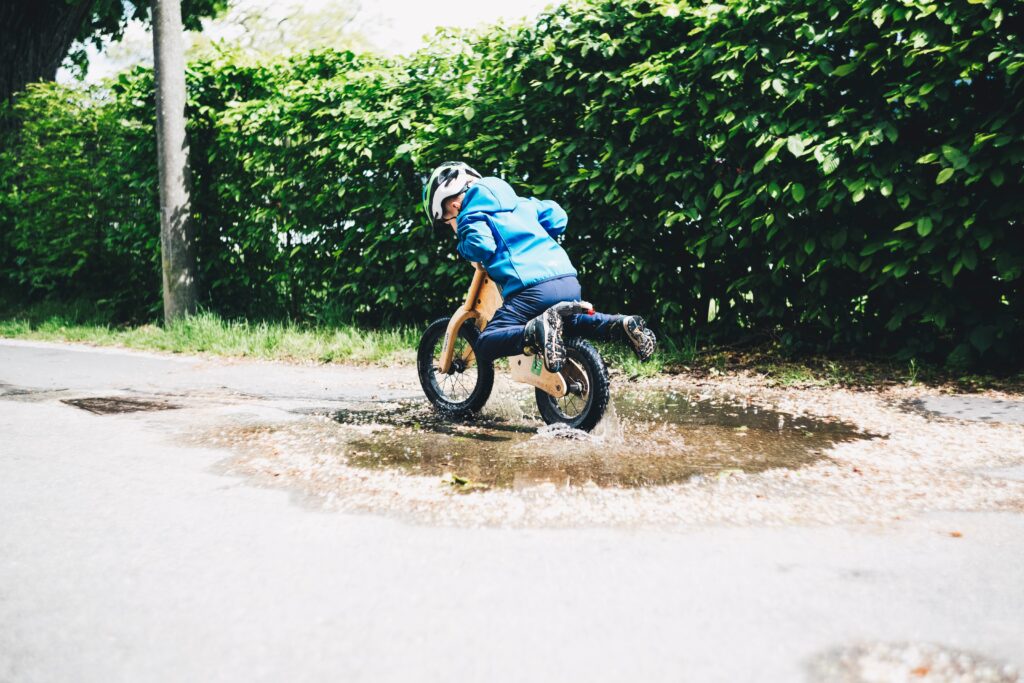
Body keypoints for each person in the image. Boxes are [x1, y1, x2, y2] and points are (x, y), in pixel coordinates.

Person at [422, 161, 656, 373]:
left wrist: (464, 247)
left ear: (454, 205)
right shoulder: (521, 204)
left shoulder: (470, 215)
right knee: (571, 324)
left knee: (485, 343)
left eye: (446, 220)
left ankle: (535, 331)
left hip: (530, 289)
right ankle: (620, 324)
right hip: (567, 280)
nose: (451, 225)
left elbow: (481, 246)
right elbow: (558, 218)